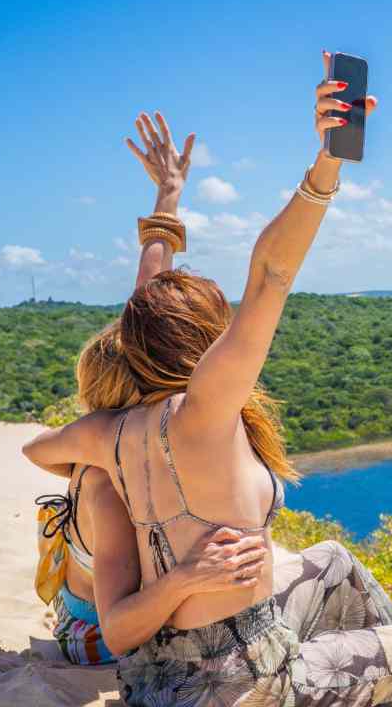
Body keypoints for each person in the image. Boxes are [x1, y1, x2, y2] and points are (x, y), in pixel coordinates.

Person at [23, 51, 392, 707]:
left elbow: (45, 437)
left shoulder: (105, 434)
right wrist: (327, 166)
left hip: (156, 684)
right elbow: (271, 274)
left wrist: (166, 207)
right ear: (205, 344)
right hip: (249, 690)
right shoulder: (204, 413)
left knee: (333, 560)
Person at [33, 125, 268, 664]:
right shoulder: (110, 469)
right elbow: (120, 632)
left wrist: (168, 196)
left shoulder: (144, 425)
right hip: (96, 636)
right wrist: (84, 458)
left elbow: (149, 302)